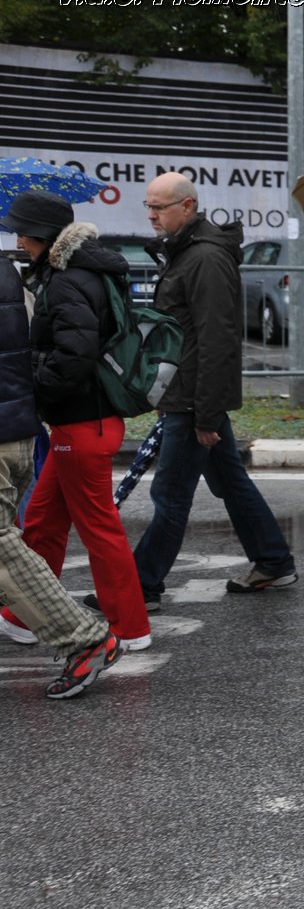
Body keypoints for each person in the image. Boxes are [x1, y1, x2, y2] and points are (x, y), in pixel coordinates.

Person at [126, 173, 298, 609]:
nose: (151, 215)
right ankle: (274, 562)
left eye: (159, 207)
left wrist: (204, 412)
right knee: (230, 482)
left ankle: (140, 586)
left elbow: (216, 340)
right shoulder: (185, 252)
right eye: (148, 206)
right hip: (189, 393)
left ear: (187, 207)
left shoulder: (203, 258)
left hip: (192, 398)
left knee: (169, 496)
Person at [0, 191, 151, 652]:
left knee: (98, 527)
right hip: (83, 421)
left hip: (84, 421)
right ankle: (22, 617)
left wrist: (35, 389)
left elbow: (75, 354)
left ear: (44, 236)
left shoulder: (68, 280)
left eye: (23, 233)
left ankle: (130, 627)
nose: (19, 241)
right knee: (43, 520)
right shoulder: (82, 271)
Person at [0, 248, 123, 698]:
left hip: (11, 427)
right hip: (16, 424)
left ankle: (85, 640)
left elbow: (70, 348)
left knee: (3, 550)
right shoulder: (11, 273)